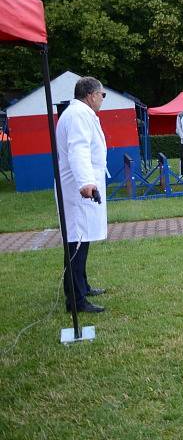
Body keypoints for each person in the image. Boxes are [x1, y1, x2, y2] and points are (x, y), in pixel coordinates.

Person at [56, 76, 108, 313]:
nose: (102, 100)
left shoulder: (81, 113)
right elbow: (79, 150)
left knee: (82, 238)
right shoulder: (78, 115)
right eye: (102, 95)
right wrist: (87, 182)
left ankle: (82, 286)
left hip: (80, 186)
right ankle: (75, 299)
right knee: (77, 241)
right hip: (77, 189)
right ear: (91, 95)